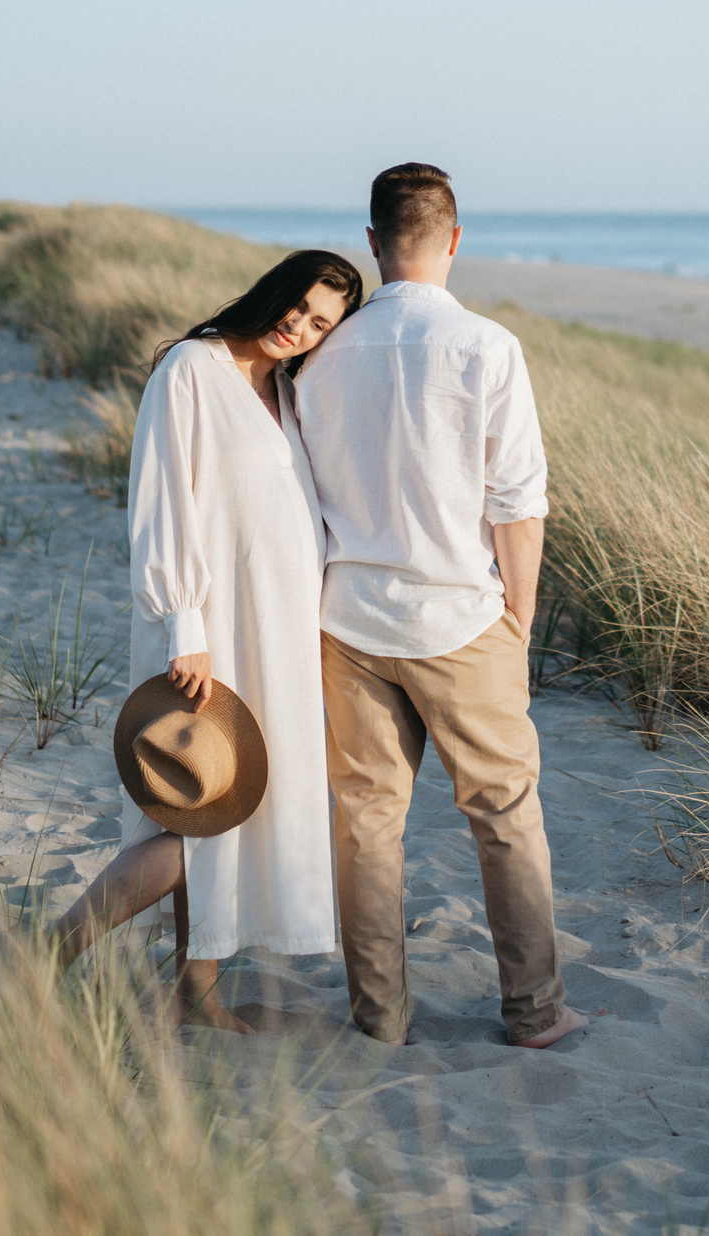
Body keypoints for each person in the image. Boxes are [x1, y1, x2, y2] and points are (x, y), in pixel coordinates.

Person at [296, 163, 596, 1049]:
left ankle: (379, 1015)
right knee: (504, 815)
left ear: (374, 243)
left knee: (366, 821)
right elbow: (518, 503)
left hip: (347, 616)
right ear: (454, 241)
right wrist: (521, 621)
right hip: (462, 617)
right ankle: (535, 1013)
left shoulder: (322, 350)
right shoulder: (487, 346)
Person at [47, 247, 366, 1031]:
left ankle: (197, 991)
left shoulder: (284, 394)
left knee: (234, 810)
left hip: (278, 636)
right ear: (272, 291)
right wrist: (185, 626)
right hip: (212, 629)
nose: (301, 325)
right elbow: (162, 505)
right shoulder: (192, 368)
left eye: (322, 322)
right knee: (195, 814)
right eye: (299, 304)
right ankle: (48, 953)